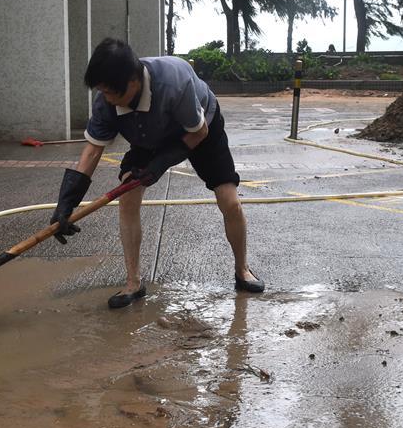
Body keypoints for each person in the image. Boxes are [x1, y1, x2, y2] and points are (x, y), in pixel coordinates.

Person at [50, 38, 265, 308]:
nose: (107, 99)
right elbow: (92, 152)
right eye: (102, 92)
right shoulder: (107, 99)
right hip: (148, 136)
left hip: (200, 129)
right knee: (128, 196)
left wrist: (159, 164)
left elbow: (198, 132)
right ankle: (133, 283)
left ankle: (242, 270)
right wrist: (66, 203)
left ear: (133, 81)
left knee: (229, 201)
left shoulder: (175, 81)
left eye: (111, 93)